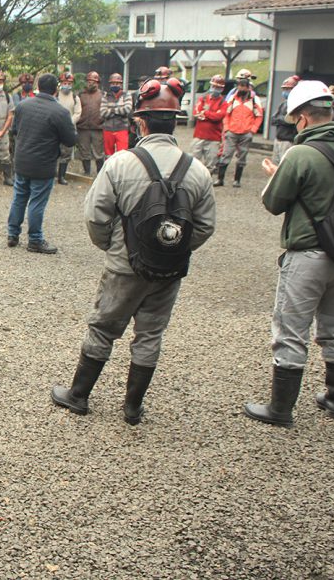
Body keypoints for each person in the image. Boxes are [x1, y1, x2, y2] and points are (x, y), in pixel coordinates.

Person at [51, 79, 216, 422]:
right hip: (169, 270)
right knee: (151, 333)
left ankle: (79, 395)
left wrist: (114, 246)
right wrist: (174, 249)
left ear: (140, 121)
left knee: (103, 327)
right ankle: (132, 407)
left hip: (124, 266)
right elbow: (204, 226)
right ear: (175, 121)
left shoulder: (121, 163)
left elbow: (95, 215)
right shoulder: (198, 171)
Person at [243, 81, 334, 427]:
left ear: (302, 117)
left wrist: (277, 176)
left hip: (308, 252)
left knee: (291, 329)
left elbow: (273, 202)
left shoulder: (300, 154)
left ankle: (281, 409)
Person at [5, 73, 77, 254]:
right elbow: (70, 140)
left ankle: (12, 234)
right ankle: (35, 240)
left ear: (37, 86)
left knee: (19, 197)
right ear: (56, 89)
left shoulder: (22, 105)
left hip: (21, 160)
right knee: (37, 201)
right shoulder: (60, 111)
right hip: (43, 164)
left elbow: (14, 131)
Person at [215, 70, 264, 188]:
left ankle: (237, 180)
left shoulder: (254, 100)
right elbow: (226, 114)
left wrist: (253, 130)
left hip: (246, 133)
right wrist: (226, 128)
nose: (241, 88)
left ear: (248, 87)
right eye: (239, 86)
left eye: (243, 86)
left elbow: (259, 116)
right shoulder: (232, 98)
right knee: (226, 155)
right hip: (231, 132)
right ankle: (220, 179)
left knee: (242, 157)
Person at [190, 74, 228, 173]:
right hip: (198, 136)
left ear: (222, 89)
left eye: (218, 87)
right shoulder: (203, 98)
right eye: (214, 86)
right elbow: (196, 112)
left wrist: (205, 113)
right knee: (193, 162)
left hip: (214, 139)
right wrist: (210, 115)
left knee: (210, 165)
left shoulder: (223, 102)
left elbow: (218, 116)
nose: (215, 89)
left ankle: (206, 183)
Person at [55, 71, 81, 185]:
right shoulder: (55, 96)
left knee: (66, 153)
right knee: (52, 152)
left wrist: (68, 123)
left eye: (69, 83)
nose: (67, 85)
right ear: (60, 83)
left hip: (69, 128)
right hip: (55, 129)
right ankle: (51, 175)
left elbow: (78, 112)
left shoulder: (75, 98)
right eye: (65, 82)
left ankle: (61, 177)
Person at [75, 71, 104, 176]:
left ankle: (100, 173)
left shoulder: (102, 95)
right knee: (84, 151)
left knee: (98, 152)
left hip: (98, 128)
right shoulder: (80, 95)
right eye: (89, 81)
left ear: (98, 83)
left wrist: (101, 120)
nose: (91, 84)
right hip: (83, 128)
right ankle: (86, 172)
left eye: (94, 82)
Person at [100, 72, 132, 156]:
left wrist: (111, 110)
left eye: (117, 83)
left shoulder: (126, 95)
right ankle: (110, 169)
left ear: (120, 84)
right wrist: (118, 111)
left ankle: (121, 169)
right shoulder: (106, 96)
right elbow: (103, 112)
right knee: (108, 154)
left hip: (122, 128)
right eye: (113, 83)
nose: (115, 85)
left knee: (122, 154)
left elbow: (127, 109)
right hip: (108, 128)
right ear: (110, 84)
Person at [270, 75, 301, 164]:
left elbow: (290, 121)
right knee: (275, 165)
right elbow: (273, 119)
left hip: (288, 141)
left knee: (284, 165)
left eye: (288, 89)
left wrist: (281, 119)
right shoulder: (283, 104)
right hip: (278, 140)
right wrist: (282, 119)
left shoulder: (297, 104)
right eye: (284, 89)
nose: (285, 91)